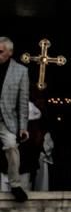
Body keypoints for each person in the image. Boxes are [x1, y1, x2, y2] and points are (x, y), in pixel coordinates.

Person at [0, 37, 30, 201]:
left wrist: (23, 127)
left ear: (10, 53)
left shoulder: (21, 71)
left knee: (12, 147)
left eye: (0, 52)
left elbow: (23, 102)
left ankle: (15, 185)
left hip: (6, 121)